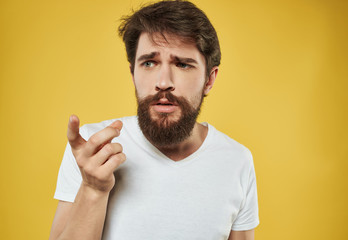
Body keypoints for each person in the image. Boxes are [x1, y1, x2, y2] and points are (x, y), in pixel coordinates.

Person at [49, 0, 259, 239]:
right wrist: (93, 189)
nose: (163, 82)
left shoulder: (237, 160)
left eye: (182, 64)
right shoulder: (92, 148)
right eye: (149, 63)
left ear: (209, 80)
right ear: (133, 74)